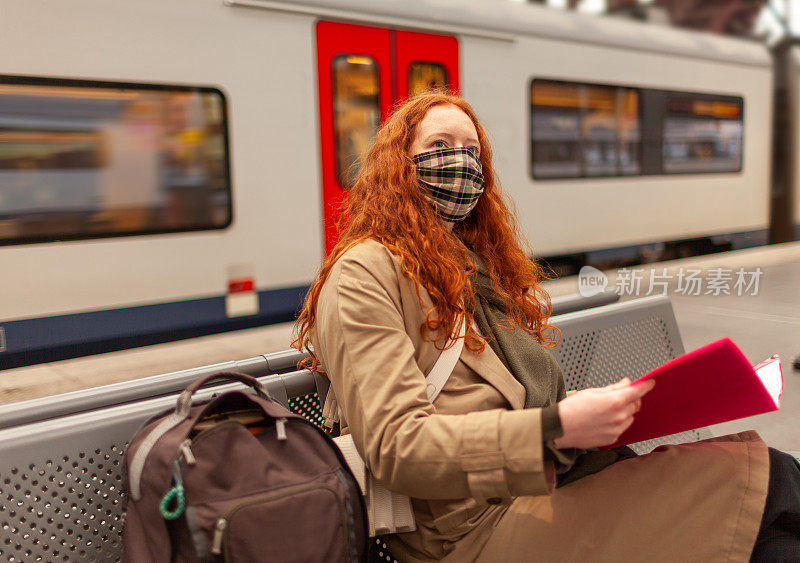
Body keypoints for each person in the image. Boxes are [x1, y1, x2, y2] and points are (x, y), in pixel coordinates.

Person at [294, 92, 800, 562]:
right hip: (467, 531)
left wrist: (602, 420)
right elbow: (397, 446)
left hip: (541, 486)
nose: (461, 162)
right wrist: (555, 430)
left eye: (472, 150)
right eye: (439, 145)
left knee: (773, 503)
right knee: (770, 483)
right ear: (396, 166)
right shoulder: (363, 273)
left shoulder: (474, 266)